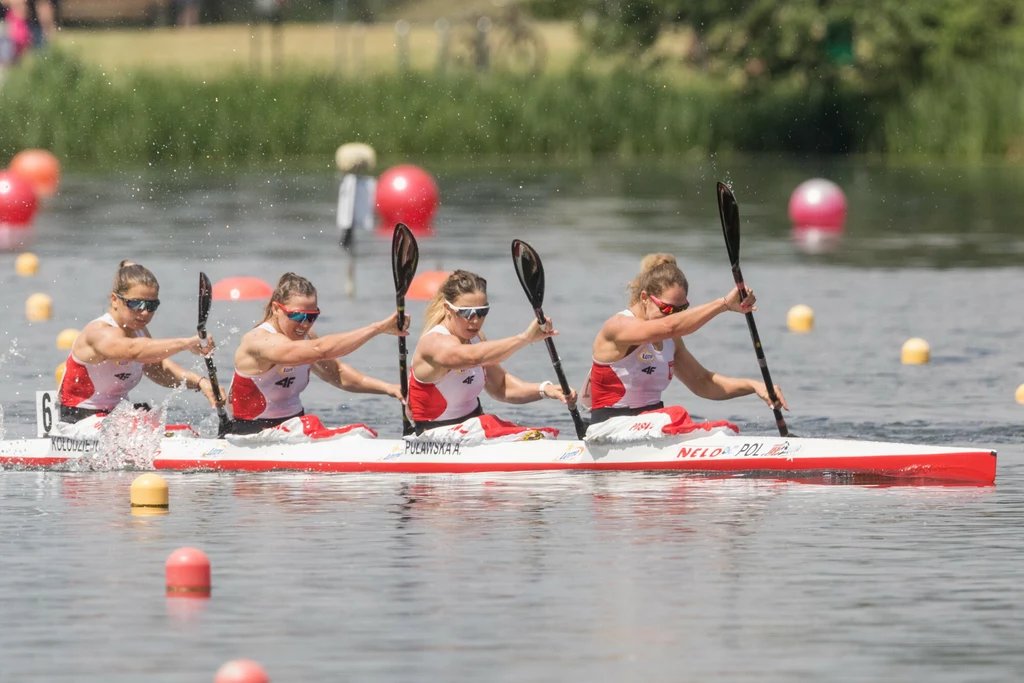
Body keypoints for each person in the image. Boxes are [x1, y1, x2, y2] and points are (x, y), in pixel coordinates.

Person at [587, 254, 788, 424]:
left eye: (681, 310)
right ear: (645, 298)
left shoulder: (671, 341)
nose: (674, 315)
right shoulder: (618, 327)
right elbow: (670, 326)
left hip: (652, 425)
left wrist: (755, 386)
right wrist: (724, 304)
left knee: (722, 428)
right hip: (610, 427)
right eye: (666, 309)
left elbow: (704, 383)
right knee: (678, 416)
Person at [229, 272, 407, 435]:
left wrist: (390, 389)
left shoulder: (306, 337)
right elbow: (321, 350)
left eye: (312, 316)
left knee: (361, 433)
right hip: (250, 434)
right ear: (276, 309)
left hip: (292, 427)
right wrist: (377, 328)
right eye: (298, 316)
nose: (305, 325)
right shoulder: (259, 341)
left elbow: (338, 374)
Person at [408, 270, 577, 434]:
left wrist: (545, 389)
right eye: (467, 312)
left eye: (482, 312)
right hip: (434, 437)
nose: (475, 320)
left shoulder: (477, 338)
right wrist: (524, 338)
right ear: (447, 308)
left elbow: (501, 385)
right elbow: (473, 357)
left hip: (474, 432)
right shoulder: (434, 342)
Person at [58, 261, 222, 423]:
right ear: (115, 300)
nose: (144, 313)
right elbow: (132, 350)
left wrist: (202, 384)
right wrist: (186, 343)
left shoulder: (139, 330)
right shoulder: (99, 332)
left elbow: (159, 368)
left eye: (152, 305)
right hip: (77, 421)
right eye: (136, 303)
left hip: (114, 419)